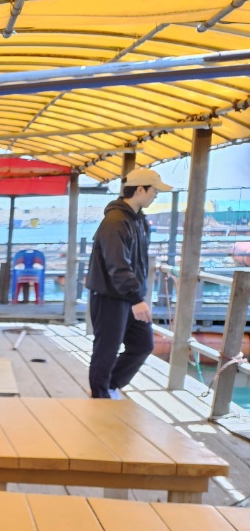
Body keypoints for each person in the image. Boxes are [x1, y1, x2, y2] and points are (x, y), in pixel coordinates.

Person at [85, 167, 171, 398]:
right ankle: (100, 395)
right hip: (110, 295)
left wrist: (137, 296)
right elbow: (117, 263)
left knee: (143, 344)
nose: (156, 196)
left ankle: (110, 386)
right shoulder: (115, 221)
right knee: (107, 347)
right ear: (140, 189)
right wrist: (136, 298)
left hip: (130, 296)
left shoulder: (138, 221)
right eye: (154, 191)